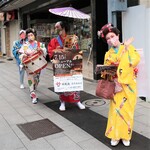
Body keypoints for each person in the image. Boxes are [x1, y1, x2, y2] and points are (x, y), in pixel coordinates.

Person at [97, 23, 140, 147]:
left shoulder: (129, 47)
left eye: (112, 36)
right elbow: (106, 72)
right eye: (108, 39)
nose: (111, 40)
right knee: (115, 111)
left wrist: (126, 49)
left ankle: (126, 136)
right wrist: (113, 77)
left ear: (118, 35)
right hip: (116, 86)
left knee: (127, 111)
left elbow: (135, 61)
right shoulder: (108, 54)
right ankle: (115, 135)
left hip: (129, 86)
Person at [48, 21, 85, 111]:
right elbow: (50, 50)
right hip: (61, 64)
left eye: (58, 27)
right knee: (63, 82)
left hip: (71, 63)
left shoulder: (72, 38)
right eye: (56, 28)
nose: (56, 29)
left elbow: (76, 49)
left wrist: (73, 48)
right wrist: (56, 50)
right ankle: (62, 102)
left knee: (74, 81)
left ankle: (77, 100)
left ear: (63, 27)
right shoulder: (55, 40)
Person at [19, 28, 47, 104]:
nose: (30, 37)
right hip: (29, 66)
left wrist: (40, 49)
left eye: (31, 35)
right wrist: (24, 55)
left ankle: (33, 88)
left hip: (38, 64)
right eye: (28, 36)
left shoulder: (39, 44)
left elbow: (45, 52)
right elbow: (21, 54)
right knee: (30, 78)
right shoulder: (25, 45)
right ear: (27, 37)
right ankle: (33, 93)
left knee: (37, 79)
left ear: (34, 35)